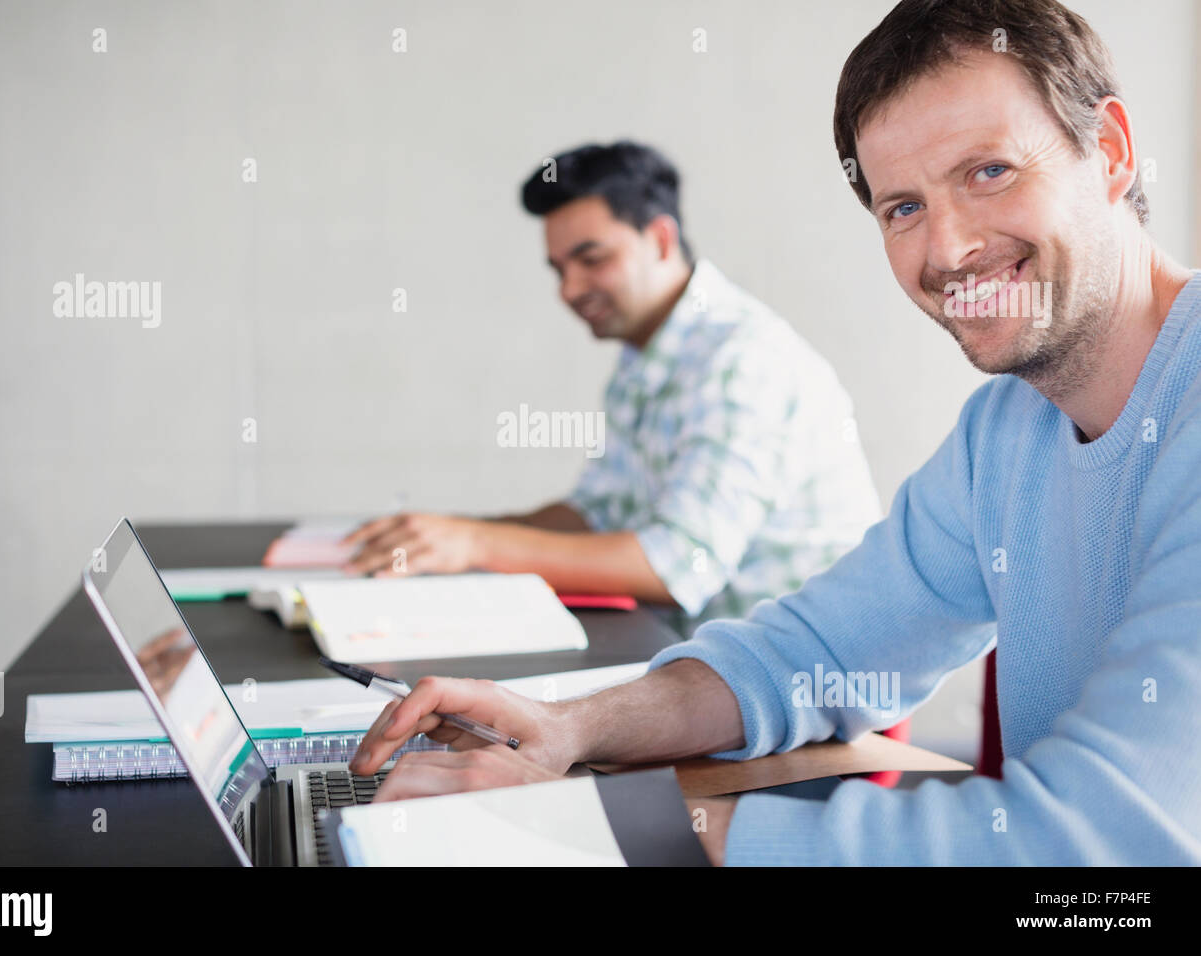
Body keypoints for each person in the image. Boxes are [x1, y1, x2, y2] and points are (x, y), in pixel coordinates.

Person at [348, 0, 1201, 866]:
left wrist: (609, 823)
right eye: (902, 207)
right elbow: (817, 650)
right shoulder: (1005, 429)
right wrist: (566, 728)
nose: (946, 249)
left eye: (988, 171)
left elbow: (1103, 845)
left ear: (1113, 152)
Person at [337, 141, 881, 633]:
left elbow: (676, 566)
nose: (569, 290)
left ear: (661, 239)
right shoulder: (647, 349)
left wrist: (475, 544)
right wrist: (445, 535)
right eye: (558, 270)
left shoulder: (742, 360)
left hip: (792, 679)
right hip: (692, 652)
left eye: (591, 260)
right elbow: (597, 512)